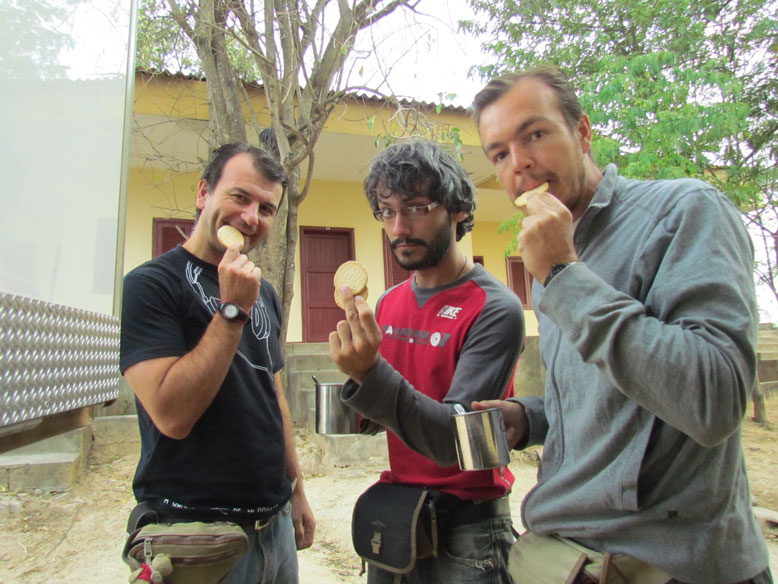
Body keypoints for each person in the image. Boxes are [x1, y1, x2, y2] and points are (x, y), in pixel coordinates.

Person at [471, 66, 773, 584]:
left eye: (535, 135)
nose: (519, 164)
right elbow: (616, 398)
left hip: (670, 567)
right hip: (564, 557)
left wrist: (565, 276)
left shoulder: (684, 210)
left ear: (583, 132)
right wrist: (533, 416)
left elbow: (715, 397)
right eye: (499, 153)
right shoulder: (552, 258)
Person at [328, 139, 525, 584]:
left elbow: (456, 443)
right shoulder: (389, 303)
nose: (399, 227)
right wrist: (350, 388)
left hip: (469, 532)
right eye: (386, 211)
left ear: (456, 209)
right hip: (397, 522)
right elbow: (381, 419)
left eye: (416, 207)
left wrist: (369, 374)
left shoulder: (495, 308)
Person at [120, 142, 315, 583]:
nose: (251, 217)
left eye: (267, 208)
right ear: (203, 192)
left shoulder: (261, 291)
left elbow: (273, 396)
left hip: (275, 528)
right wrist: (230, 312)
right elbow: (171, 415)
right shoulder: (151, 285)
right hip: (198, 536)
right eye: (240, 197)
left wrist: (296, 492)